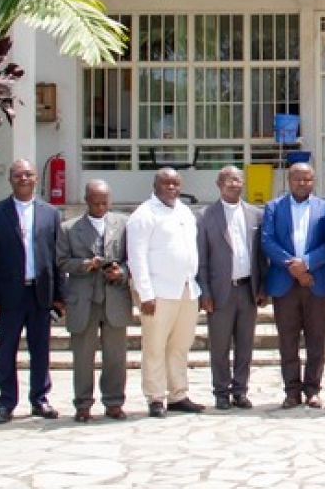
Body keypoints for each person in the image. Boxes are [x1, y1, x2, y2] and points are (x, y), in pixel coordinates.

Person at [0, 158, 64, 424]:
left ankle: (40, 399)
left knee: (41, 349)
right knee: (7, 350)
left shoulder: (51, 213)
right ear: (10, 179)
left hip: (40, 293)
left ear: (36, 179)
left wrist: (59, 296)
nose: (24, 179)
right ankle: (6, 403)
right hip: (9, 295)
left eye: (28, 174)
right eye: (18, 175)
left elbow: (57, 257)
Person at [127, 167, 205, 417]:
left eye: (175, 184)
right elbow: (136, 257)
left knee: (180, 345)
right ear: (155, 185)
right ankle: (155, 397)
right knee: (155, 346)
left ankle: (178, 394)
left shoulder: (184, 211)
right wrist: (145, 294)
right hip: (158, 292)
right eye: (166, 184)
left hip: (186, 289)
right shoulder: (144, 214)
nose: (171, 188)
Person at [55, 179, 132, 422]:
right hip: (84, 300)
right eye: (95, 202)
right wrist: (85, 265)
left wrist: (122, 272)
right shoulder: (69, 228)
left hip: (114, 297)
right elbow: (61, 261)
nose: (100, 207)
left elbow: (133, 258)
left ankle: (114, 402)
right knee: (83, 356)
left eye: (104, 203)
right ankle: (83, 404)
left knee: (116, 356)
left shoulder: (124, 224)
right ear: (86, 200)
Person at [263, 163, 325, 409]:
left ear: (313, 181)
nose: (302, 184)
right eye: (297, 179)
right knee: (288, 340)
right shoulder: (273, 207)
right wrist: (291, 266)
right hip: (284, 282)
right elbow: (267, 241)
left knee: (316, 339)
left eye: (307, 179)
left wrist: (307, 264)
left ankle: (313, 389)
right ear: (288, 180)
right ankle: (292, 391)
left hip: (315, 281)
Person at [197, 166, 267, 410]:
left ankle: (240, 390)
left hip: (247, 289)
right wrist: (204, 292)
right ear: (219, 184)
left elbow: (260, 256)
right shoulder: (205, 216)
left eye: (238, 180)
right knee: (219, 346)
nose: (234, 184)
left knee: (245, 345)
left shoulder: (256, 215)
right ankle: (221, 392)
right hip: (219, 292)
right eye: (228, 180)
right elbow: (202, 259)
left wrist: (262, 287)